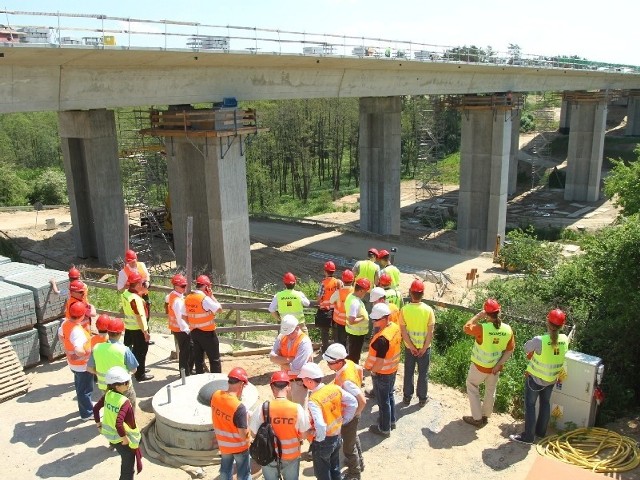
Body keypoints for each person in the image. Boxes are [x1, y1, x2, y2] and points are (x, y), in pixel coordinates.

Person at [510, 309, 570, 445]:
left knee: (530, 406)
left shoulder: (539, 340)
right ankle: (540, 433)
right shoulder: (564, 339)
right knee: (545, 403)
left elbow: (526, 348)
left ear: (547, 322)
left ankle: (528, 437)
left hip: (535, 380)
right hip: (551, 380)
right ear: (562, 325)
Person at [298, 362, 357, 480]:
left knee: (322, 474)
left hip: (324, 442)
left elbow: (320, 424)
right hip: (337, 437)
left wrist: (318, 439)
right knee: (334, 468)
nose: (302, 382)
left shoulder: (314, 400)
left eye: (303, 380)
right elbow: (353, 402)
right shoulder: (334, 388)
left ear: (309, 381)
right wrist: (345, 420)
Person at [463, 299, 515, 428]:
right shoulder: (508, 329)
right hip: (495, 368)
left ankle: (477, 418)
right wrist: (499, 364)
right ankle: (486, 415)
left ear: (486, 314)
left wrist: (477, 316)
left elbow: (466, 327)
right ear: (499, 311)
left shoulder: (482, 328)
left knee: (472, 386)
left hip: (479, 367)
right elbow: (510, 349)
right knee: (490, 390)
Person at [249, 371, 311, 480]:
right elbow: (304, 435)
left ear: (272, 388)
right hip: (291, 456)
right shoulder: (297, 409)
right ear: (289, 387)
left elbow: (253, 434)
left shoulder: (263, 408)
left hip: (268, 455)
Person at [323, 343, 366, 480]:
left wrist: (354, 415)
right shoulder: (349, 363)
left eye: (330, 363)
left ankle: (355, 473)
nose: (328, 365)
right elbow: (360, 369)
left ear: (339, 362)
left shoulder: (347, 381)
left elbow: (363, 401)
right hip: (351, 412)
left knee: (348, 447)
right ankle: (360, 462)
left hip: (350, 415)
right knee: (353, 438)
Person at [93, 366, 143, 480]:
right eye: (125, 383)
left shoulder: (108, 395)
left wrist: (99, 425)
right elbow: (119, 423)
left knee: (126, 465)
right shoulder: (124, 402)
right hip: (122, 440)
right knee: (127, 469)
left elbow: (95, 409)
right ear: (117, 386)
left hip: (111, 437)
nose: (128, 384)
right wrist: (125, 439)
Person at [364, 303, 401, 437]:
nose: (373, 321)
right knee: (389, 396)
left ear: (385, 318)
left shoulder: (382, 339)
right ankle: (391, 421)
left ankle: (384, 429)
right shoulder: (394, 328)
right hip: (392, 370)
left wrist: (373, 372)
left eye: (376, 319)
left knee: (382, 402)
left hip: (382, 373)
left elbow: (379, 362)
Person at [87, 317, 139, 409]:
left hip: (105, 387)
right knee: (129, 408)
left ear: (108, 331)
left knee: (113, 408)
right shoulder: (124, 350)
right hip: (123, 386)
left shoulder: (96, 348)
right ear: (121, 333)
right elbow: (134, 369)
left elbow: (89, 369)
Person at [399, 279, 435, 407]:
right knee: (423, 373)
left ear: (410, 292)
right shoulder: (429, 310)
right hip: (424, 349)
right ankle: (422, 398)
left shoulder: (404, 310)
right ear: (423, 294)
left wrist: (412, 347)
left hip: (410, 349)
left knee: (408, 372)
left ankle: (407, 397)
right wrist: (424, 348)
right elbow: (430, 333)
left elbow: (403, 332)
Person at [211, 368, 251, 480]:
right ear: (242, 384)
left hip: (223, 445)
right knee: (244, 474)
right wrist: (249, 437)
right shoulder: (239, 407)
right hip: (239, 447)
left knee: (225, 471)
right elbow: (243, 435)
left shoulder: (215, 395)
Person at [58, 301, 93, 419]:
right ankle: (87, 413)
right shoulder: (77, 331)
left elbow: (61, 336)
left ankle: (87, 405)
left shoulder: (65, 323)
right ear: (82, 315)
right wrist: (84, 354)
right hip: (82, 365)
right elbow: (79, 350)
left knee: (80, 386)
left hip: (73, 364)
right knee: (85, 389)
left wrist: (68, 350)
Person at [269, 314, 313, 406]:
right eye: (287, 333)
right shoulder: (282, 336)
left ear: (297, 328)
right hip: (285, 382)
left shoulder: (304, 341)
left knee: (300, 412)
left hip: (299, 383)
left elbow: (296, 369)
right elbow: (272, 357)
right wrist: (289, 360)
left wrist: (281, 362)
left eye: (290, 333)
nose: (288, 336)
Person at [184, 275, 223, 374]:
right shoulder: (204, 298)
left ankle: (200, 380)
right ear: (206, 286)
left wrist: (193, 324)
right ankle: (216, 382)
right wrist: (211, 296)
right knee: (214, 360)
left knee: (198, 360)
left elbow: (183, 316)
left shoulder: (188, 297)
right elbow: (220, 309)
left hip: (194, 333)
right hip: (208, 334)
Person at [121, 272, 153, 382]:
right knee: (141, 351)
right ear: (138, 284)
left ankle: (139, 368)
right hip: (138, 328)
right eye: (141, 283)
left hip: (130, 327)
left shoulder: (125, 294)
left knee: (135, 350)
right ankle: (140, 374)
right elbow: (140, 316)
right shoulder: (135, 299)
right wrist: (145, 332)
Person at [165, 273, 194, 375]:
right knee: (186, 352)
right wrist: (187, 330)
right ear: (176, 286)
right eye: (183, 286)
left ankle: (186, 371)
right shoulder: (177, 301)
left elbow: (166, 300)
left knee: (186, 350)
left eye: (185, 285)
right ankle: (185, 373)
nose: (185, 288)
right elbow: (179, 317)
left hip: (176, 328)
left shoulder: (172, 295)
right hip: (181, 329)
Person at [315, 261, 343, 353]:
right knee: (335, 331)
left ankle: (325, 349)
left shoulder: (323, 283)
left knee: (325, 331)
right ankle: (336, 349)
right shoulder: (338, 282)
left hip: (325, 311)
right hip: (336, 311)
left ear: (325, 271)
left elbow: (318, 298)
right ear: (333, 271)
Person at [345, 278, 370, 364]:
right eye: (365, 292)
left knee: (353, 354)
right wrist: (363, 318)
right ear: (361, 291)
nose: (365, 294)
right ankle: (353, 373)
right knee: (354, 356)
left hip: (355, 333)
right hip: (356, 334)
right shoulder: (355, 302)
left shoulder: (351, 296)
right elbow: (352, 320)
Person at [328, 269, 354, 347]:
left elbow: (331, 301)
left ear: (343, 280)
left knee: (341, 342)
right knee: (350, 342)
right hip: (351, 321)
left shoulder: (338, 292)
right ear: (352, 280)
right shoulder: (354, 292)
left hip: (340, 322)